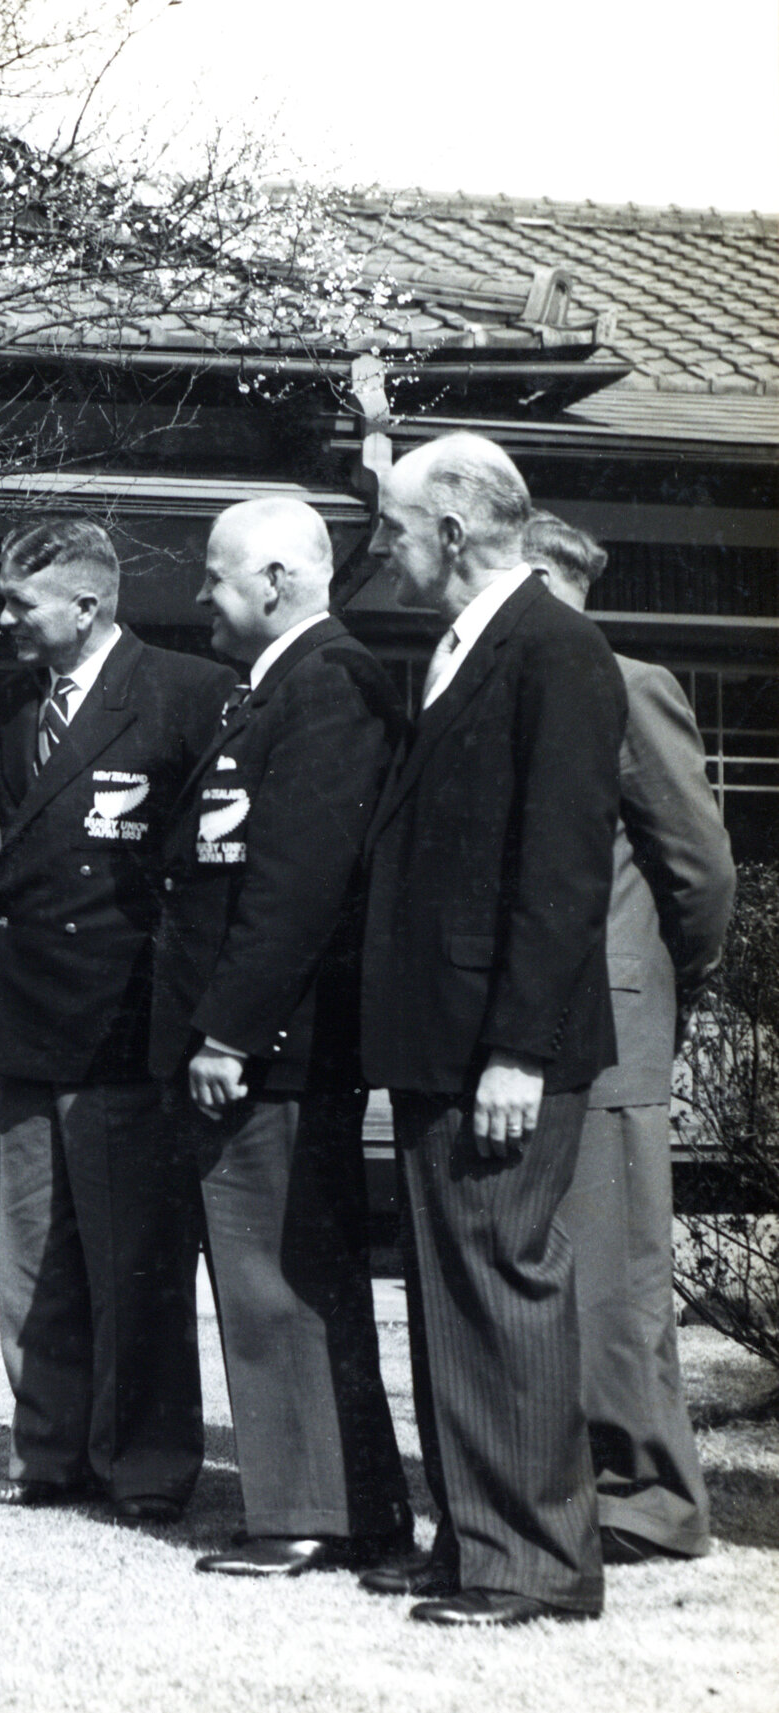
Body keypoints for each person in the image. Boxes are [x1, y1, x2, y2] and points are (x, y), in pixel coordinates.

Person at [358, 432, 625, 1627]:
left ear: (451, 533)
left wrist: (518, 1048)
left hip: (501, 1048)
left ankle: (533, 1563)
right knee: (448, 1289)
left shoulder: (556, 651)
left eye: (399, 525)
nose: (389, 544)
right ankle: (474, 1537)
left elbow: (561, 870)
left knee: (500, 1285)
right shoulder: (464, 646)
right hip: (441, 1036)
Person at [148, 498, 412, 1575]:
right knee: (274, 1271)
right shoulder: (280, 688)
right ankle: (338, 1503)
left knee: (273, 1278)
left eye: (213, 577)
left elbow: (297, 884)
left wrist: (229, 1032)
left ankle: (312, 1510)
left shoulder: (326, 686)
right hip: (259, 1038)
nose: (199, 598)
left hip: (275, 1045)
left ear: (272, 581)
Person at [0, 515, 233, 1523]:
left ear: (84, 607)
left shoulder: (185, 695)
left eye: (18, 604)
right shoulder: (10, 705)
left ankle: (148, 1462)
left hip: (125, 1026)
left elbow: (200, 884)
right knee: (30, 1260)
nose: (1, 620)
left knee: (135, 1259)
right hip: (28, 1023)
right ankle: (48, 1452)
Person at [526, 510, 735, 1565]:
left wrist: (657, 978)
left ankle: (650, 1496)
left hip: (611, 1027)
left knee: (613, 1277)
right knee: (559, 1270)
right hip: (531, 1030)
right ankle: (576, 1476)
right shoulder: (504, 686)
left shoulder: (624, 682)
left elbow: (698, 872)